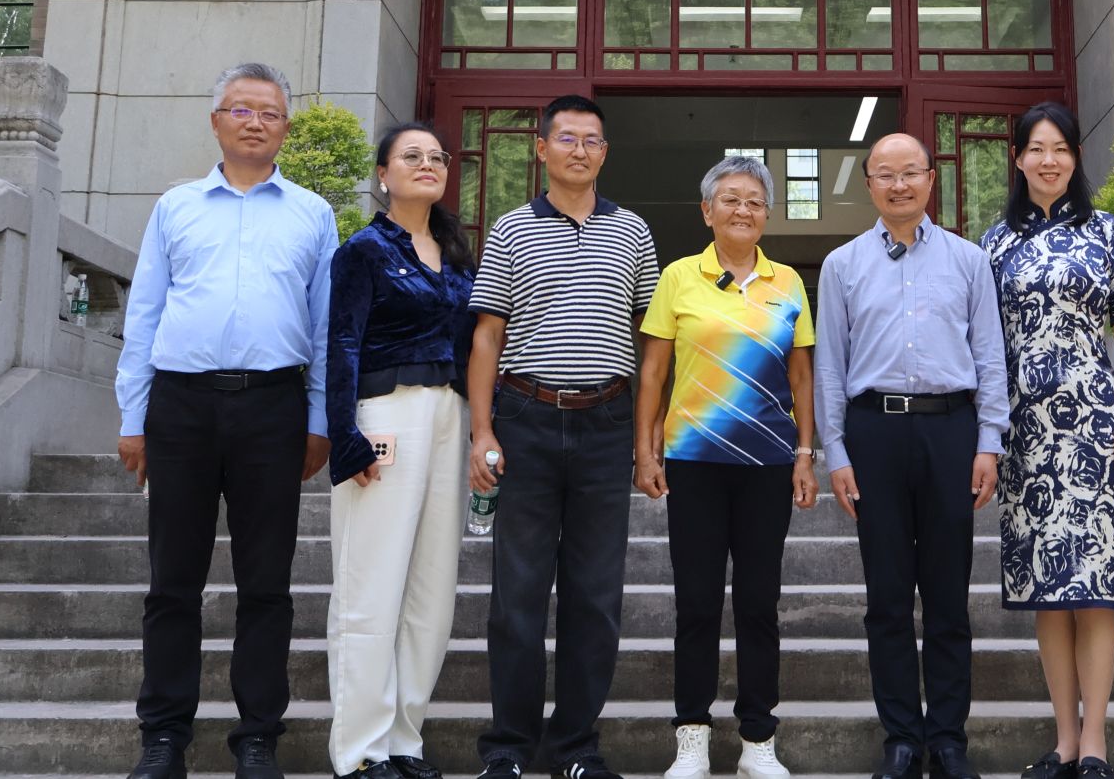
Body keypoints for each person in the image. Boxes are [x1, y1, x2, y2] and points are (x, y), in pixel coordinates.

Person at [114, 62, 338, 779]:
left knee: (266, 583)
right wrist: (133, 416)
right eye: (240, 109)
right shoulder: (176, 206)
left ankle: (258, 736)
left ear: (286, 129)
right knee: (171, 581)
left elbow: (325, 327)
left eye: (269, 112)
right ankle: (163, 737)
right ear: (216, 121)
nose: (254, 122)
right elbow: (144, 313)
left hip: (273, 407)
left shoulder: (313, 214)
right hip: (180, 407)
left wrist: (318, 418)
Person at [466, 94, 659, 779]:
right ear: (542, 147)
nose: (581, 150)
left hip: (606, 423)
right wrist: (481, 429)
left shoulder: (633, 231)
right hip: (526, 418)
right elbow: (487, 335)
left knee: (595, 596)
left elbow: (652, 342)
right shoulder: (511, 228)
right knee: (517, 596)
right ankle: (508, 748)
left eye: (592, 140)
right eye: (568, 138)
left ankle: (576, 747)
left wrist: (645, 439)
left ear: (606, 152)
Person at [814, 131, 1009, 779]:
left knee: (949, 594)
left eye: (910, 173)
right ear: (869, 183)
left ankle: (948, 738)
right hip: (874, 433)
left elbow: (989, 356)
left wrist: (988, 441)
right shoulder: (842, 265)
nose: (899, 185)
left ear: (930, 179)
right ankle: (901, 736)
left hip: (951, 431)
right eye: (885, 174)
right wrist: (836, 450)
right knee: (888, 594)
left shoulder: (968, 260)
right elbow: (831, 366)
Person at [634, 156, 820, 779]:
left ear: (767, 214)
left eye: (754, 201)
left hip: (768, 463)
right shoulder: (678, 277)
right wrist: (645, 448)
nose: (743, 210)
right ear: (707, 211)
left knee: (760, 602)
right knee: (696, 602)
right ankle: (691, 736)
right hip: (694, 461)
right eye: (731, 199)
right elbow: (654, 370)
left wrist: (805, 454)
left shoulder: (787, 282)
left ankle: (758, 739)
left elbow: (801, 376)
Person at [979, 103, 1114, 779]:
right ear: (1017, 158)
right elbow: (983, 342)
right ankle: (1065, 739)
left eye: (1061, 149)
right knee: (1047, 589)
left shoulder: (1107, 231)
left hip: (1095, 424)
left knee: (1095, 584)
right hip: (1024, 429)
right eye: (1036, 149)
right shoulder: (993, 243)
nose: (1049, 160)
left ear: (1075, 158)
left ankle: (1096, 740)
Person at [325, 122, 476, 779]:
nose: (427, 164)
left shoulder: (457, 253)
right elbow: (341, 344)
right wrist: (344, 435)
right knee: (371, 585)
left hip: (450, 415)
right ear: (383, 174)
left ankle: (403, 739)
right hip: (385, 413)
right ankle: (361, 751)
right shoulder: (363, 250)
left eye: (437, 156)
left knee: (431, 591)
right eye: (411, 155)